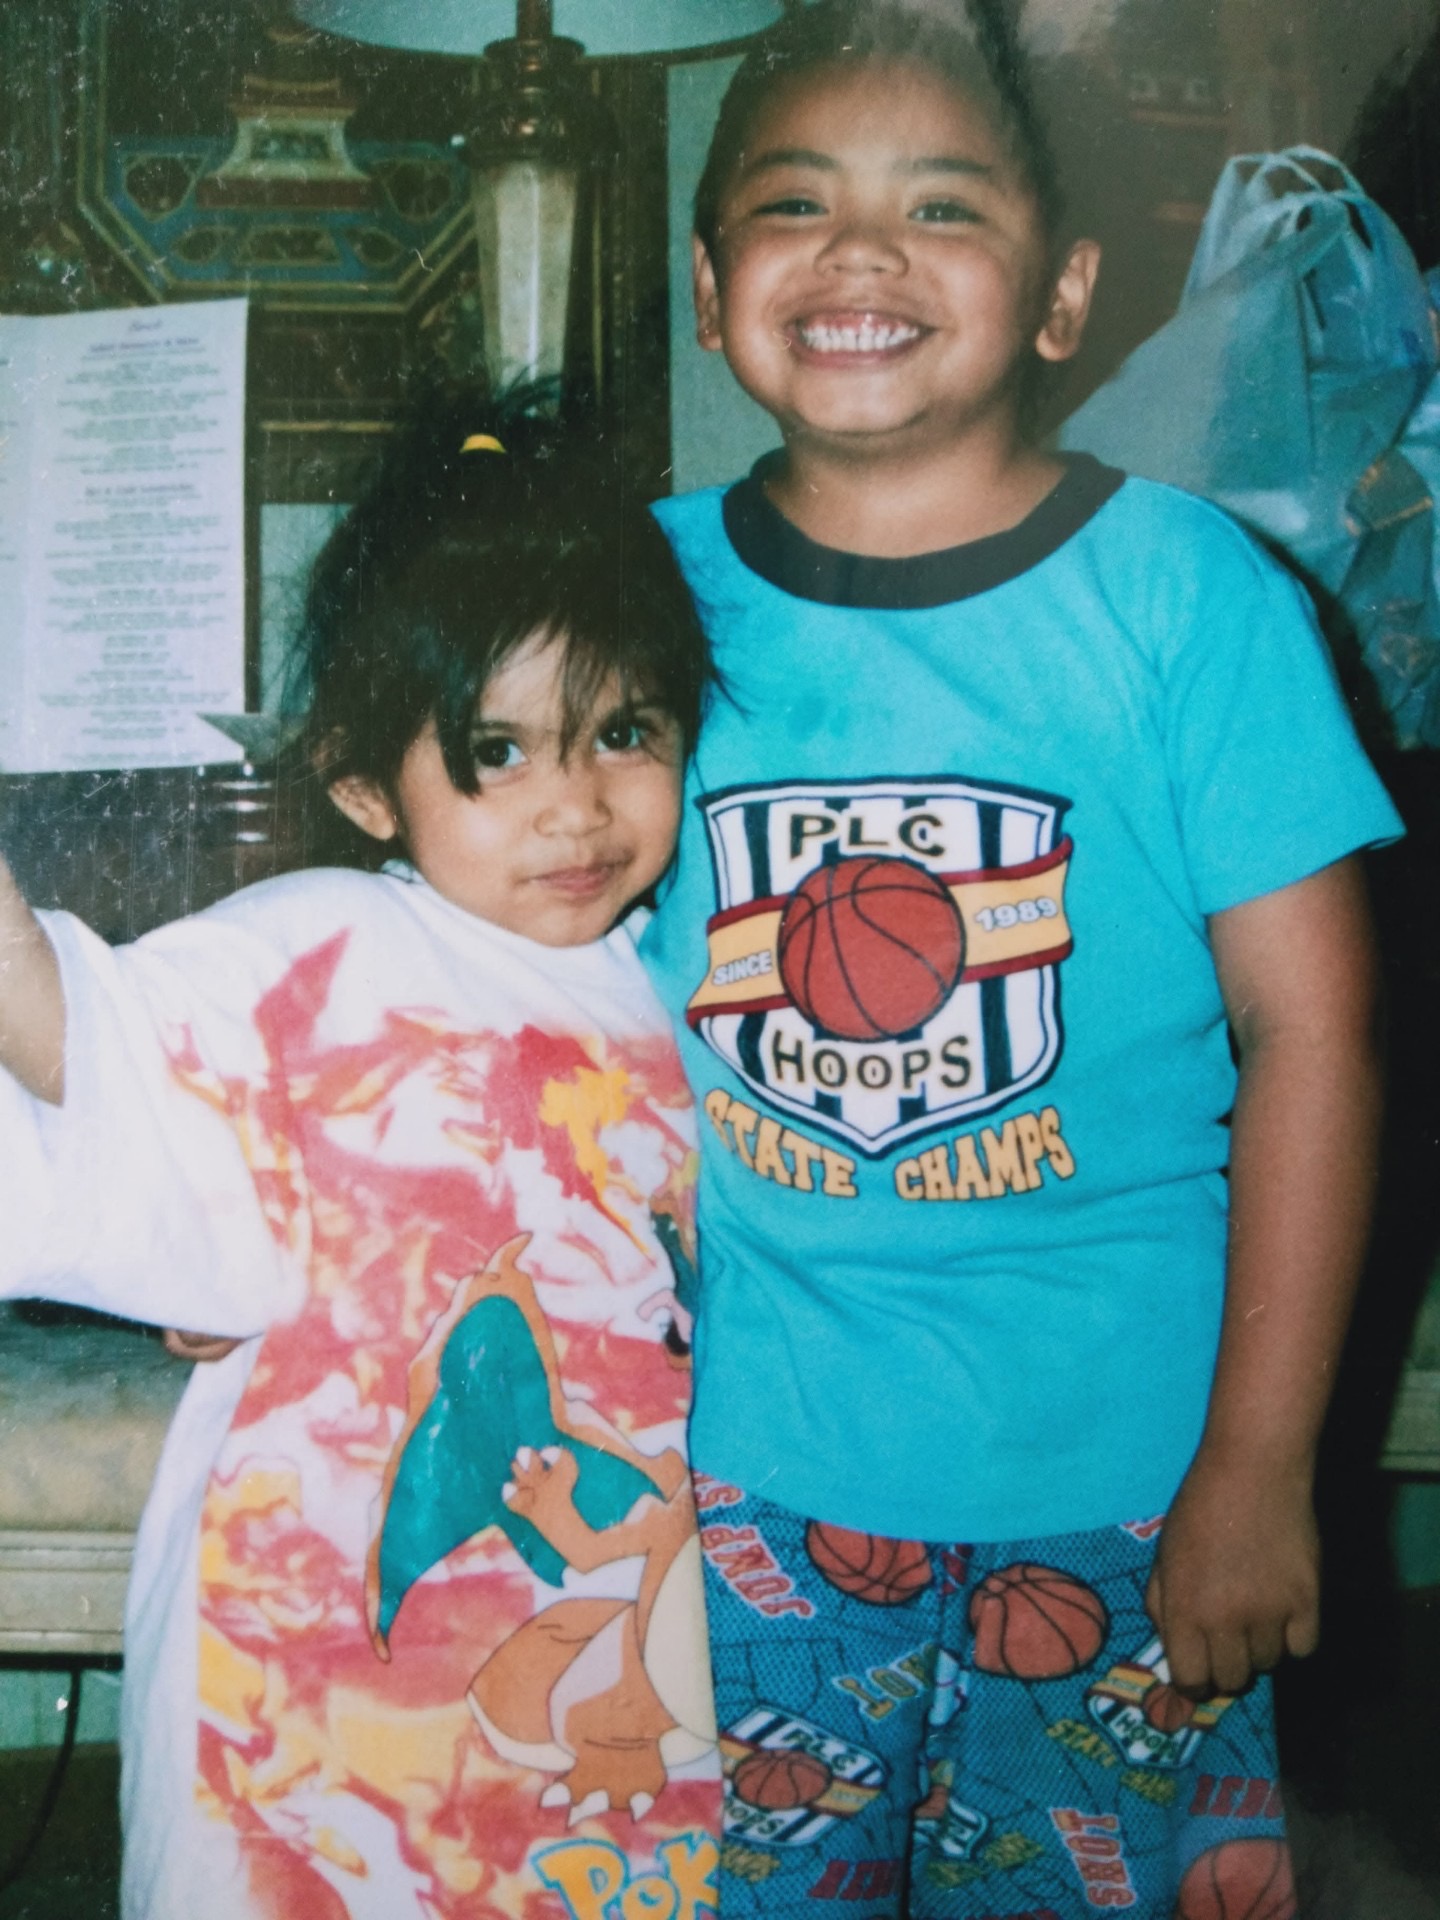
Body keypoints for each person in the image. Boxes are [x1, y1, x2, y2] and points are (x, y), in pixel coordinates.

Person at [637, 5, 1404, 1915]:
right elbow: (463, 966)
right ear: (713, 284)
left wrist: (1261, 1463)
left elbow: (1317, 1031)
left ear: (1063, 295)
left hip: (1132, 1479)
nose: (861, 251)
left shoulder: (1190, 594)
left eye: (941, 206)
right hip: (743, 1475)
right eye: (794, 203)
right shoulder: (624, 600)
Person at [0, 399, 722, 1920]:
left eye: (624, 734)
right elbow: (96, 1052)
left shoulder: (693, 994)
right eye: (498, 752)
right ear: (365, 787)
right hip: (310, 1663)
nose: (575, 806)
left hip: (608, 1643)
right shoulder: (318, 947)